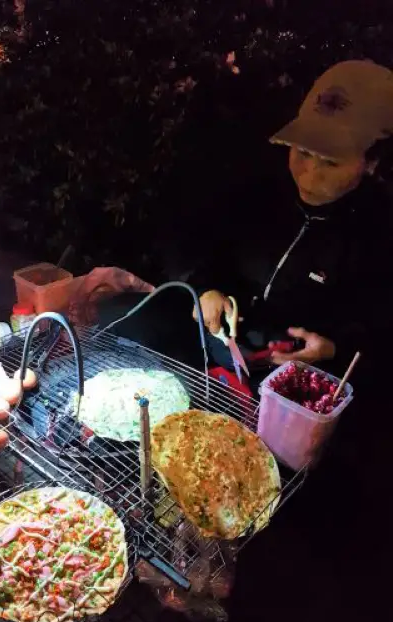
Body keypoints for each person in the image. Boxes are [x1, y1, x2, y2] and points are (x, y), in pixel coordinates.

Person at [98, 60, 393, 386]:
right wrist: (204, 287)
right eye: (303, 151)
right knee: (115, 316)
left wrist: (334, 349)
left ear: (371, 163)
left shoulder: (377, 233)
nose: (309, 172)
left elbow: (376, 330)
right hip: (213, 328)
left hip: (283, 361)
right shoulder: (257, 182)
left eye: (330, 161)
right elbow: (187, 235)